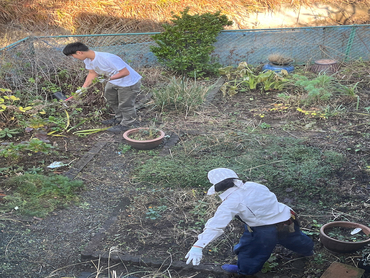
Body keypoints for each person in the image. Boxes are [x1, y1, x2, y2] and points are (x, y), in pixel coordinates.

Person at [185, 168, 314, 277]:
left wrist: (198, 246)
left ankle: (245, 271)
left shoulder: (231, 202)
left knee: (251, 251)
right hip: (288, 218)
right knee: (295, 238)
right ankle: (308, 251)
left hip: (264, 231)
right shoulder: (254, 185)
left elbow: (216, 225)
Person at [62, 42, 142, 133]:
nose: (74, 58)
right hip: (112, 81)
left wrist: (107, 78)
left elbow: (125, 72)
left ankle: (128, 124)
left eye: (73, 55)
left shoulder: (107, 58)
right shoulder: (87, 60)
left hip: (128, 82)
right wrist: (83, 89)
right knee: (111, 100)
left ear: (79, 52)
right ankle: (119, 119)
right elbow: (92, 73)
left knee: (125, 104)